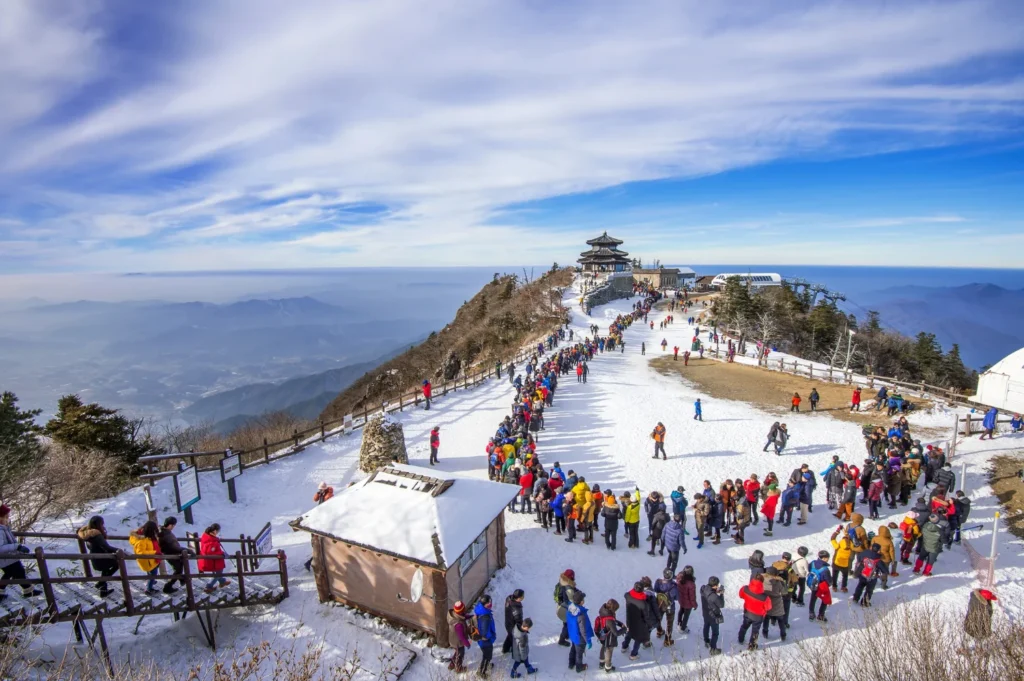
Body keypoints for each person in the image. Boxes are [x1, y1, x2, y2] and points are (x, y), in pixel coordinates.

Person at [77, 515, 119, 597]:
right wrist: (119, 551)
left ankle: (103, 591)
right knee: (117, 564)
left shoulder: (87, 533)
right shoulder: (96, 535)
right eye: (102, 524)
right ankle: (101, 583)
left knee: (105, 570)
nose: (103, 526)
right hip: (102, 558)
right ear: (99, 524)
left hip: (95, 557)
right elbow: (107, 547)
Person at [158, 517, 192, 594]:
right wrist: (188, 550)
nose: (174, 527)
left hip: (172, 553)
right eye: (173, 525)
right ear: (170, 525)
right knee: (178, 570)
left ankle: (181, 579)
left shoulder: (165, 531)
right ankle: (168, 586)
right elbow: (173, 546)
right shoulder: (165, 533)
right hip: (170, 554)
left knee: (179, 567)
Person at [622, 582, 656, 660]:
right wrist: (650, 624)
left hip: (630, 619)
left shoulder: (628, 596)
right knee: (639, 638)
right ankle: (633, 654)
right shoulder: (643, 604)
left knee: (629, 633)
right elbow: (646, 617)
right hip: (639, 623)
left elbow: (626, 594)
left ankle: (624, 646)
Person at [737, 575, 772, 651]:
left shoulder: (745, 589)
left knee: (744, 626)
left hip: (747, 612)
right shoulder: (765, 597)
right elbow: (768, 607)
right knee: (755, 631)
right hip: (758, 616)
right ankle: (752, 646)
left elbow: (740, 595)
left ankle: (740, 639)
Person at [129, 521, 162, 594]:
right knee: (153, 575)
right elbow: (140, 552)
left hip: (150, 560)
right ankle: (149, 589)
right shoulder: (142, 540)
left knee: (152, 573)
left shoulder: (145, 536)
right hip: (148, 561)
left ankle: (151, 581)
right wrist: (154, 552)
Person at [595, 599, 627, 672]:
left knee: (603, 647)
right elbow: (616, 633)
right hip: (609, 638)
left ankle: (601, 662)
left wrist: (620, 623)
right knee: (609, 651)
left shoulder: (604, 611)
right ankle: (608, 667)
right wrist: (624, 629)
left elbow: (613, 620)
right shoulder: (609, 619)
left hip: (603, 634)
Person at [566, 591, 593, 673]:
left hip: (573, 635)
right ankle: (579, 667)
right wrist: (588, 641)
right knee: (579, 653)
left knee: (573, 649)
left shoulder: (570, 609)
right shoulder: (581, 615)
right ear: (581, 601)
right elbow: (583, 630)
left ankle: (571, 663)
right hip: (580, 638)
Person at [198, 523, 230, 593]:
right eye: (218, 531)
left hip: (212, 560)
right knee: (218, 572)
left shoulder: (207, 536)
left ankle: (222, 581)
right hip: (214, 560)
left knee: (218, 572)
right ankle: (209, 587)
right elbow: (210, 552)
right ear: (215, 531)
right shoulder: (211, 541)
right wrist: (222, 553)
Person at [699, 576, 725, 655]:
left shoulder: (704, 588)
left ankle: (706, 640)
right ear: (715, 585)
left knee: (706, 626)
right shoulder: (714, 596)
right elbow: (721, 604)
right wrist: (721, 594)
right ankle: (713, 649)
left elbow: (709, 594)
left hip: (705, 613)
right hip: (713, 615)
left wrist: (715, 591)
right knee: (715, 633)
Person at [806, 552, 833, 622]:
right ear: (824, 558)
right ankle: (821, 615)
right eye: (827, 558)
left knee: (813, 598)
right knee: (825, 599)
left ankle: (811, 613)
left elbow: (809, 569)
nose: (828, 559)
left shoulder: (812, 563)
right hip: (821, 586)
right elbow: (829, 581)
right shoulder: (825, 569)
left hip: (812, 583)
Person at [474, 595, 497, 677]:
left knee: (486, 655)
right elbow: (484, 633)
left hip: (482, 641)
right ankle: (481, 672)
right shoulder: (485, 617)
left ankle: (486, 666)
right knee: (487, 656)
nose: (490, 604)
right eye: (489, 603)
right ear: (484, 604)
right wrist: (490, 638)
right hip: (486, 641)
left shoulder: (481, 610)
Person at [447, 601, 471, 673]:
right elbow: (461, 637)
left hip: (453, 639)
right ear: (461, 611)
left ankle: (452, 664)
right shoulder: (458, 625)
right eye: (463, 609)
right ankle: (459, 668)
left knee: (457, 653)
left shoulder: (454, 614)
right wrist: (467, 643)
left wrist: (470, 616)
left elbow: (462, 616)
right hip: (457, 642)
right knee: (460, 655)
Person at [555, 570, 577, 646]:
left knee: (566, 623)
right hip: (565, 609)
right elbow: (571, 600)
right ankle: (562, 640)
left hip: (561, 606)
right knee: (568, 624)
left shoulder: (561, 582)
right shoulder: (568, 587)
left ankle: (566, 635)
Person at [830, 526, 853, 592]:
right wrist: (844, 530)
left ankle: (834, 586)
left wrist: (837, 531)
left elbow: (832, 538)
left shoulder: (838, 546)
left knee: (835, 575)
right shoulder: (851, 546)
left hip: (836, 562)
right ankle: (843, 587)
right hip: (845, 565)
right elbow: (847, 538)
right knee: (845, 576)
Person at [502, 589, 525, 655]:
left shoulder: (509, 599)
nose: (523, 597)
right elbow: (519, 621)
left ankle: (505, 649)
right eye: (522, 596)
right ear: (519, 598)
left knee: (510, 636)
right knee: (514, 640)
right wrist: (522, 629)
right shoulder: (517, 609)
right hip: (513, 626)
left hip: (508, 623)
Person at [676, 565, 697, 633]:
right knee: (686, 616)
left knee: (681, 610)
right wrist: (695, 605)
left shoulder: (679, 578)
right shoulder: (691, 584)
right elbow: (692, 597)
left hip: (681, 599)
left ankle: (679, 622)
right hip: (688, 603)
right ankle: (683, 627)